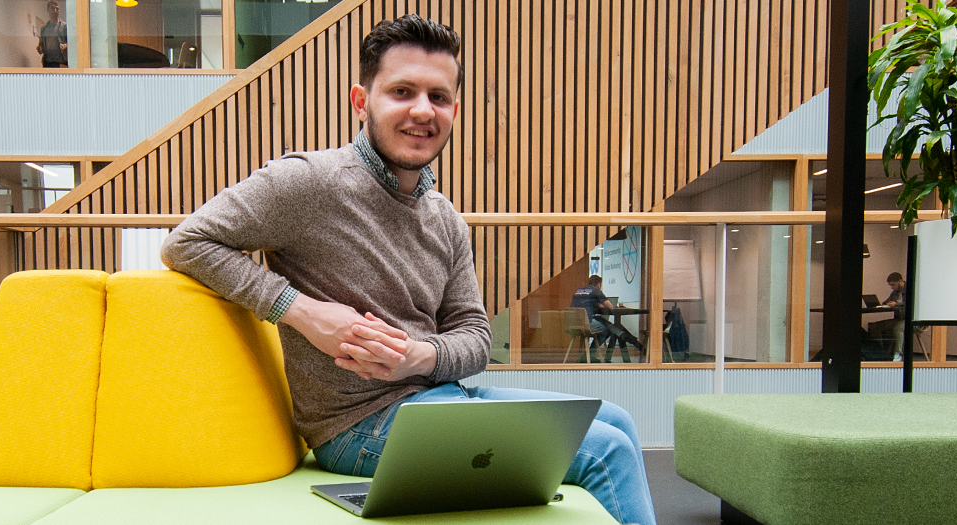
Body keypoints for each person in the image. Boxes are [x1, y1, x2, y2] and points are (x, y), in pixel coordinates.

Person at [160, 15, 654, 525]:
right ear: (361, 102)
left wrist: (418, 356)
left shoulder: (445, 219)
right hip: (356, 425)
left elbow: (476, 337)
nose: (422, 110)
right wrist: (302, 312)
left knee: (616, 420)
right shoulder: (308, 183)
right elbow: (187, 242)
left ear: (454, 110)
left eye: (438, 97)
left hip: (437, 396)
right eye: (402, 91)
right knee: (606, 451)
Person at [571, 275, 629, 363]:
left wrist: (598, 305)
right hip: (587, 324)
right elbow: (610, 306)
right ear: (598, 284)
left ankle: (620, 333)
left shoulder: (579, 290)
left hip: (574, 323)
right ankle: (589, 354)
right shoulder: (596, 290)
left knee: (600, 320)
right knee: (606, 330)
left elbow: (586, 303)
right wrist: (609, 305)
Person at [37, 1, 68, 68]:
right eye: (52, 8)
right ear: (48, 10)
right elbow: (41, 46)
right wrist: (40, 49)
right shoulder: (44, 29)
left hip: (62, 63)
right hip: (47, 63)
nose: (55, 10)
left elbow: (72, 44)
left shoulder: (64, 26)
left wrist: (66, 46)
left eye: (57, 9)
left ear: (59, 11)